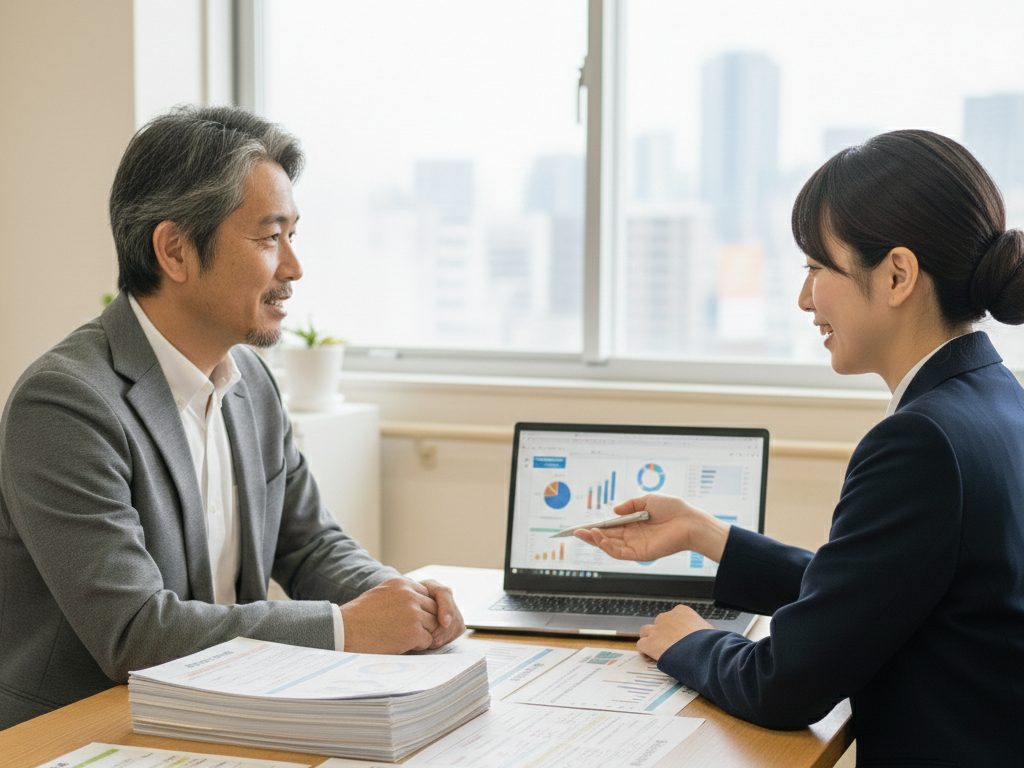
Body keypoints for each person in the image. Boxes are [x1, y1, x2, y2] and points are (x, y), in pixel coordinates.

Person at [0, 105, 464, 729]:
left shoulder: (252, 383)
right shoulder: (65, 403)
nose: (293, 267)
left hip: (217, 710)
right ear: (175, 251)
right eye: (270, 238)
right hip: (81, 730)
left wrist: (402, 601)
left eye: (292, 236)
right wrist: (347, 627)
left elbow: (309, 545)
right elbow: (135, 632)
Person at [576, 130, 1024, 765]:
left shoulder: (920, 441)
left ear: (897, 275)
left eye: (816, 269)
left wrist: (687, 642)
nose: (804, 299)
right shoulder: (997, 398)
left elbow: (785, 685)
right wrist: (709, 536)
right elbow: (871, 592)